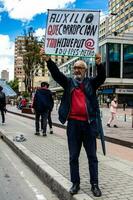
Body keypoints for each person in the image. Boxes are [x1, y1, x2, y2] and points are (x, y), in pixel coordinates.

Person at [40, 49, 106, 197]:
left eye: (80, 67)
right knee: (73, 156)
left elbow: (102, 78)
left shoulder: (91, 83)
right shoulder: (68, 83)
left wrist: (99, 64)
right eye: (75, 67)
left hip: (89, 125)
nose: (76, 70)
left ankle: (94, 185)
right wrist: (48, 60)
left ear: (85, 70)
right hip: (73, 125)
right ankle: (75, 183)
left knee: (92, 157)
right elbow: (56, 74)